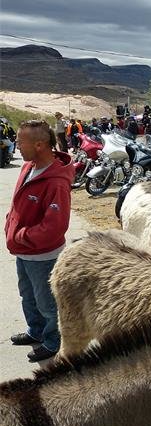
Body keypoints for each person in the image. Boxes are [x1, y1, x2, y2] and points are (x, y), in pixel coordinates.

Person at [5, 120, 73, 362]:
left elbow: (54, 227)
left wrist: (20, 235)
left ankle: (54, 341)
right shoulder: (29, 166)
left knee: (47, 303)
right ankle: (36, 332)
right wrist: (10, 223)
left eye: (21, 142)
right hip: (24, 253)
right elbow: (18, 203)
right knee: (28, 296)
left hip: (43, 256)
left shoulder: (56, 182)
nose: (16, 146)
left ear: (40, 144)